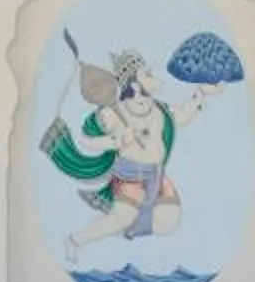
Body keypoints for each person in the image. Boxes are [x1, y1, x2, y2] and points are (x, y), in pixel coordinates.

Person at [41, 46, 216, 263]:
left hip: (157, 176)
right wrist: (115, 141)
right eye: (147, 74)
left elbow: (181, 116)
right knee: (121, 219)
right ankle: (75, 240)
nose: (152, 78)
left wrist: (199, 94)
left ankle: (127, 226)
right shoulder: (112, 113)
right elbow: (87, 140)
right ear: (133, 81)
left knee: (169, 221)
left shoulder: (159, 108)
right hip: (130, 176)